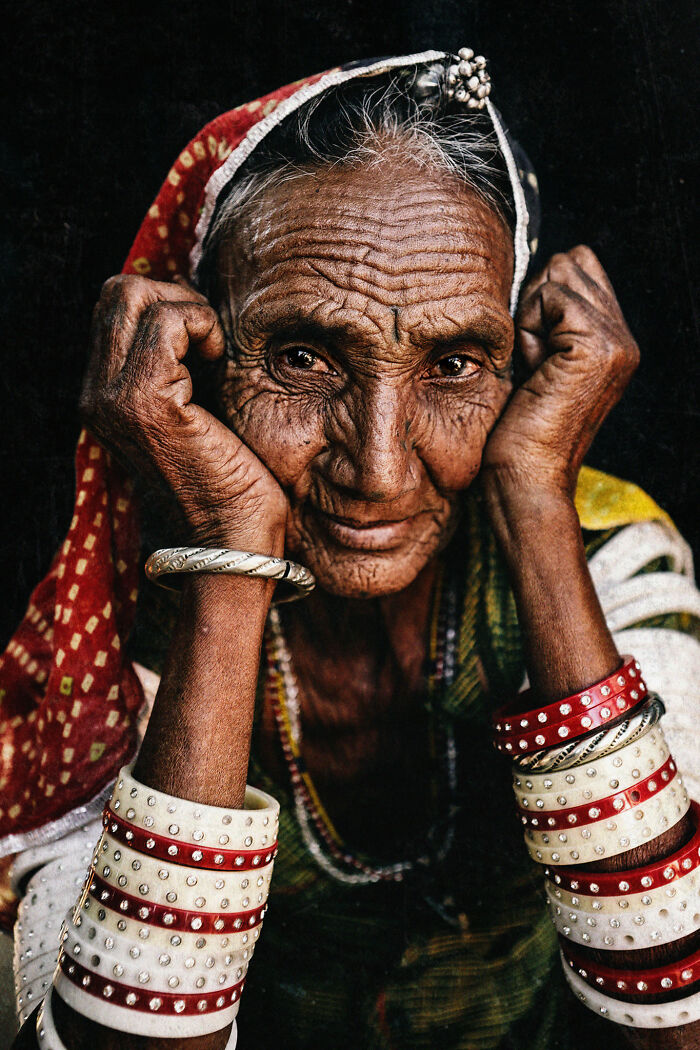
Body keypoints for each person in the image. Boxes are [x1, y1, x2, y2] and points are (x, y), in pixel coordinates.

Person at [3, 49, 699, 1050]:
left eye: (455, 363)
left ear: (521, 365)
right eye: (300, 357)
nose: (376, 467)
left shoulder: (605, 551)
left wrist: (537, 502)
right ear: (194, 356)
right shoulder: (117, 633)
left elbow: (679, 1024)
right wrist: (231, 555)